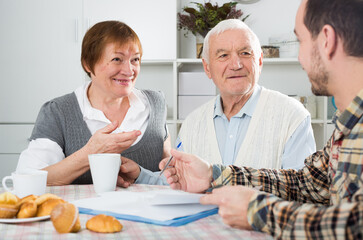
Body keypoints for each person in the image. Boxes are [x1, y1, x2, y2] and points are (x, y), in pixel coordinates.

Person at [162, 0, 363, 238]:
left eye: (301, 41)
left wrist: (258, 211)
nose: (299, 57)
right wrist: (214, 175)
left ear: (326, 40)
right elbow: (308, 184)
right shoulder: (348, 126)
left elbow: (356, 226)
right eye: (223, 55)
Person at [16, 21, 171, 186]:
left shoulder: (156, 103)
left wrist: (142, 174)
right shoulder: (58, 111)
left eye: (135, 60)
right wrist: (89, 153)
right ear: (88, 64)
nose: (129, 71)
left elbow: (168, 172)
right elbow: (28, 179)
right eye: (117, 59)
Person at [178, 19, 315, 170]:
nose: (236, 65)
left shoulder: (293, 116)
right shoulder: (191, 124)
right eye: (223, 55)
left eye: (245, 53)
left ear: (260, 61)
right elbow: (177, 185)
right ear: (207, 68)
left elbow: (301, 191)